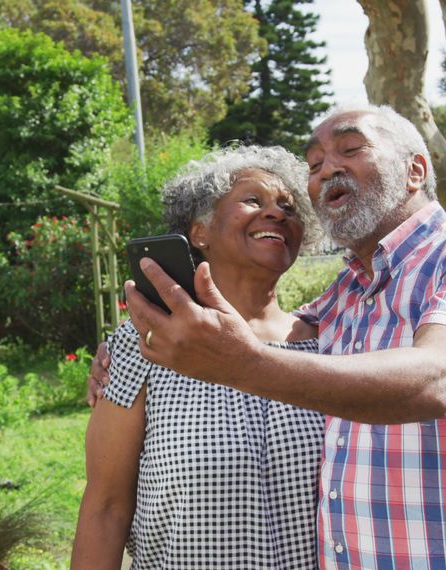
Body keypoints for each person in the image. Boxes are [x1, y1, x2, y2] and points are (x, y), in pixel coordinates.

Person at [121, 105, 446, 568]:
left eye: (349, 149)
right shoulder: (341, 297)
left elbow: (434, 380)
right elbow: (266, 327)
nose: (327, 168)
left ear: (415, 170)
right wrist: (115, 354)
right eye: (314, 164)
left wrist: (243, 363)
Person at [72, 146, 328, 569]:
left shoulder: (331, 343)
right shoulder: (146, 344)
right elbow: (106, 506)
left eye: (289, 207)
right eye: (253, 200)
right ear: (199, 232)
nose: (277, 213)